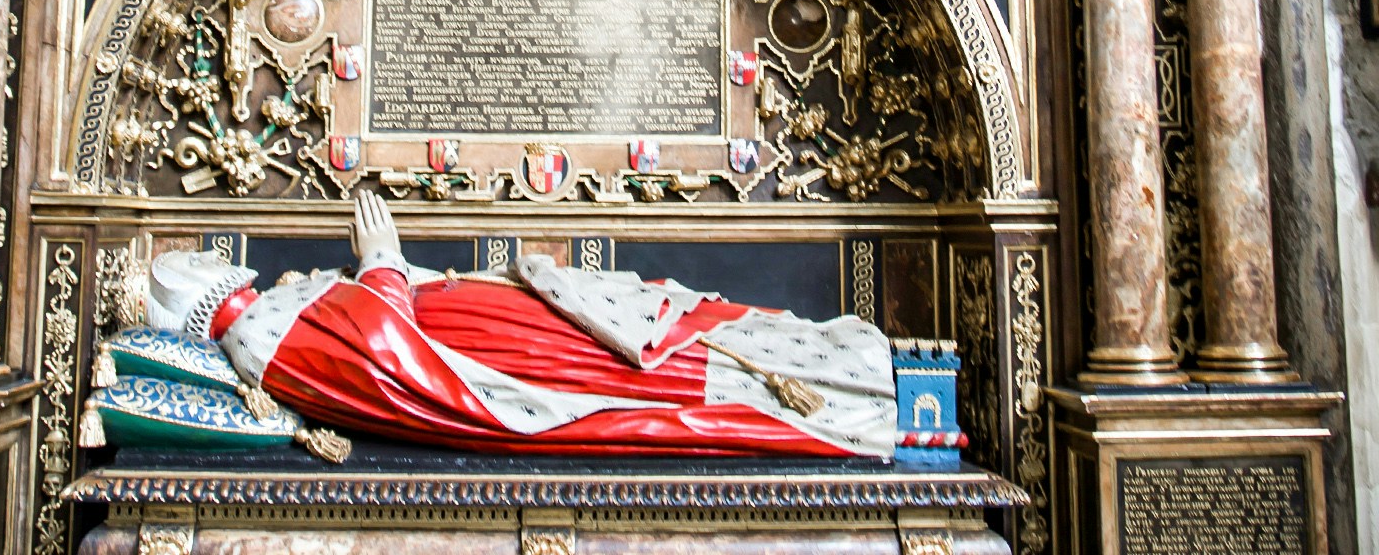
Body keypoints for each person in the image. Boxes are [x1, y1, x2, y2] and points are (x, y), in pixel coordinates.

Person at [146, 191, 896, 457]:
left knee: (690, 323)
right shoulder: (266, 345)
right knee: (672, 368)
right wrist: (380, 261)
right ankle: (856, 401)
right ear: (209, 291)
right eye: (216, 265)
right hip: (520, 365)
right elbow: (390, 363)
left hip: (527, 327)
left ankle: (851, 373)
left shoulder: (277, 315)